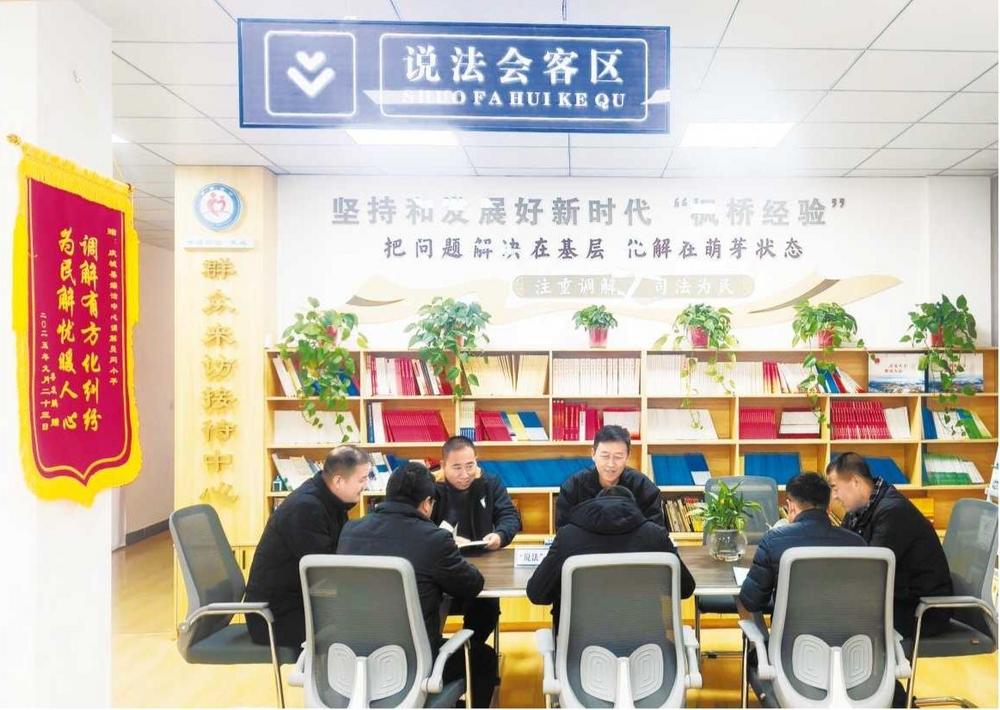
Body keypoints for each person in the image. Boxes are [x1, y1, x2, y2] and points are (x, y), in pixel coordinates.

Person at [338, 462, 497, 708]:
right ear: (426, 504)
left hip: (354, 658)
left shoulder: (350, 531)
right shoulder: (434, 539)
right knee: (484, 659)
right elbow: (472, 585)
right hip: (413, 661)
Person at [245, 445, 371, 649]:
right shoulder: (306, 508)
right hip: (275, 617)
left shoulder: (330, 500)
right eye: (362, 479)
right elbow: (324, 572)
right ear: (339, 481)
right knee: (365, 625)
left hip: (302, 602)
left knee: (367, 614)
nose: (366, 485)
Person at [527, 485, 695, 633]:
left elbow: (537, 594)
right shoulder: (655, 536)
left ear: (594, 505)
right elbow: (685, 589)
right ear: (633, 507)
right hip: (649, 648)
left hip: (579, 651)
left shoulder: (568, 537)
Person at [826, 452, 953, 638]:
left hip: (921, 611)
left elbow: (872, 571)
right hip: (894, 599)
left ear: (855, 481)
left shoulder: (892, 512)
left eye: (835, 488)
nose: (834, 496)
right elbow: (841, 551)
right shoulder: (859, 510)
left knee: (836, 616)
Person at [429, 436, 522, 646]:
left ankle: (472, 651)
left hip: (482, 568)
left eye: (470, 466)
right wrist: (447, 541)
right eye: (457, 468)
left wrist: (499, 536)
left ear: (476, 461)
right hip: (440, 568)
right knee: (428, 605)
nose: (465, 474)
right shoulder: (431, 487)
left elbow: (509, 516)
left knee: (487, 610)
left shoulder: (490, 483)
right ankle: (437, 652)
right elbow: (418, 526)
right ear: (443, 465)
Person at [738, 472, 866, 612]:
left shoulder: (773, 540)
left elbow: (752, 601)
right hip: (846, 626)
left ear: (791, 506)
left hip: (790, 627)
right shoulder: (857, 543)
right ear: (828, 507)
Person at [555, 425, 664, 528]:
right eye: (605, 456)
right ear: (593, 454)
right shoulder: (573, 487)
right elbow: (564, 531)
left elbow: (655, 530)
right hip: (585, 542)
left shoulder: (642, 486)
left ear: (627, 456)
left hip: (634, 542)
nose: (611, 464)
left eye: (618, 456)